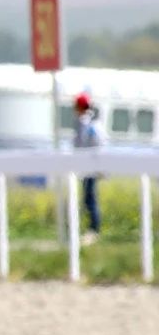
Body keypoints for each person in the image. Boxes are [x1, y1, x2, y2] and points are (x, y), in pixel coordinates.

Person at [72, 92, 103, 244]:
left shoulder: (85, 123)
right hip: (89, 166)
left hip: (89, 166)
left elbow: (82, 144)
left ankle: (94, 231)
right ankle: (91, 229)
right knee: (88, 198)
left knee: (90, 199)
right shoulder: (91, 122)